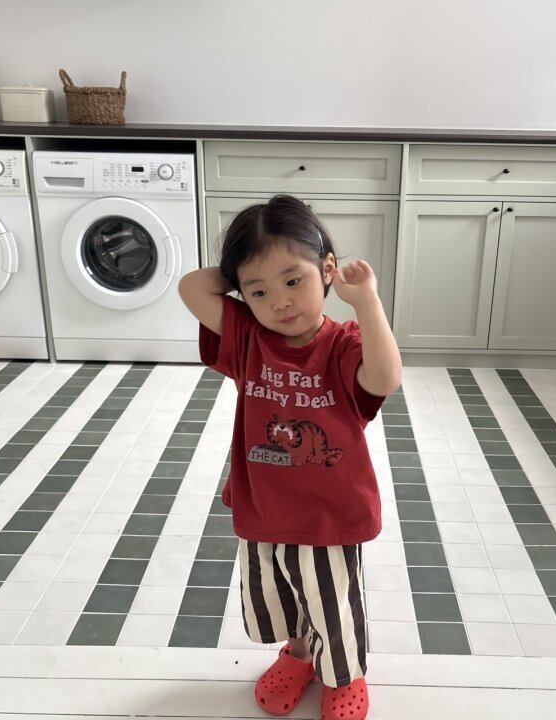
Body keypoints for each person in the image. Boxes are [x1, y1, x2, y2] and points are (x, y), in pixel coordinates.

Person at [178, 194, 402, 720]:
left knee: (332, 600)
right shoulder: (247, 338)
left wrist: (366, 301)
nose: (279, 302)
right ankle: (298, 655)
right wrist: (246, 271)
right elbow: (191, 286)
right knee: (281, 594)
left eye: (293, 280)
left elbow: (385, 378)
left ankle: (344, 673)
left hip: (329, 512)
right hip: (264, 506)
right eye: (259, 291)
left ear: (326, 270)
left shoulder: (343, 344)